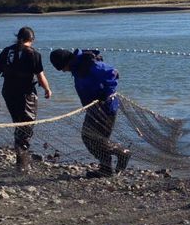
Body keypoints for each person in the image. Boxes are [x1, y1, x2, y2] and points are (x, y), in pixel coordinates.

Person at [49, 48, 130, 178]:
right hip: (94, 108)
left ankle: (122, 153)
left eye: (62, 68)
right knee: (92, 138)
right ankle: (106, 169)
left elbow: (113, 73)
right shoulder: (77, 67)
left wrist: (106, 94)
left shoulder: (88, 64)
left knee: (93, 138)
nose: (64, 71)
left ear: (66, 62)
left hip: (106, 107)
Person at [0, 26, 52, 170]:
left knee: (19, 124)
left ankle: (21, 160)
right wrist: (47, 89)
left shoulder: (7, 51)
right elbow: (40, 76)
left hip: (8, 93)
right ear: (32, 40)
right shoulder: (33, 54)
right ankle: (22, 163)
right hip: (26, 95)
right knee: (26, 126)